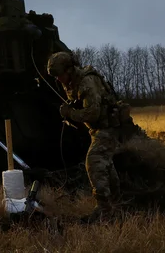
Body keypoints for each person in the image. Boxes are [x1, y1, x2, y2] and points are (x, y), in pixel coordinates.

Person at [46, 51, 133, 221]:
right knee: (106, 164)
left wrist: (70, 113)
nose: (58, 79)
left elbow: (92, 113)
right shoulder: (72, 82)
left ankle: (104, 210)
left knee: (94, 161)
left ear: (69, 70)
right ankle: (116, 203)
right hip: (98, 129)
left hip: (108, 128)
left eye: (60, 75)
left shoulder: (86, 81)